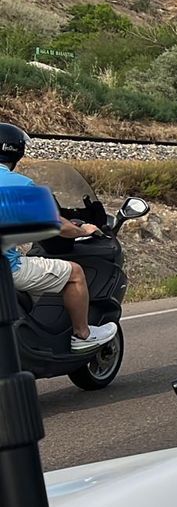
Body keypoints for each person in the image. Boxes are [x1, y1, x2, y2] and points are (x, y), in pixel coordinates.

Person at [0, 124, 116, 351]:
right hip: (7, 270)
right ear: (16, 152)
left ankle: (30, 332)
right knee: (75, 274)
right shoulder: (20, 184)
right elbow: (58, 225)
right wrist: (83, 230)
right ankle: (82, 334)